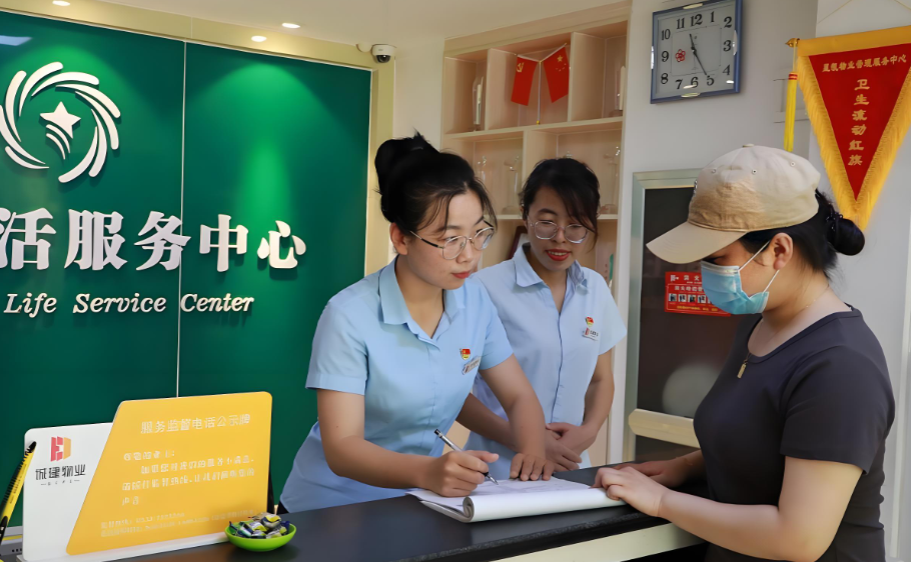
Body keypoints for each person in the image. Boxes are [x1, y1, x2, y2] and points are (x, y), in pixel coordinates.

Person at [594, 146, 894, 562]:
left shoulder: (841, 366)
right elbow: (761, 441)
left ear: (779, 251)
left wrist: (662, 502)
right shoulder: (759, 325)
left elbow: (798, 539)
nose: (704, 273)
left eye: (717, 259)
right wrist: (685, 467)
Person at [280, 133, 553, 513]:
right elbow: (342, 449)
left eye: (478, 234)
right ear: (401, 238)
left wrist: (533, 452)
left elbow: (518, 395)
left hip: (415, 502)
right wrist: (428, 471)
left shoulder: (474, 300)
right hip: (331, 507)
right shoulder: (349, 315)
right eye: (451, 239)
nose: (469, 256)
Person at [458, 158, 626, 480]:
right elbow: (456, 393)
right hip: (499, 469)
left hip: (571, 467)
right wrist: (528, 440)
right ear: (526, 216)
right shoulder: (483, 290)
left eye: (576, 226)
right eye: (547, 222)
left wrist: (589, 431)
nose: (560, 238)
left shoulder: (595, 289)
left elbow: (600, 379)